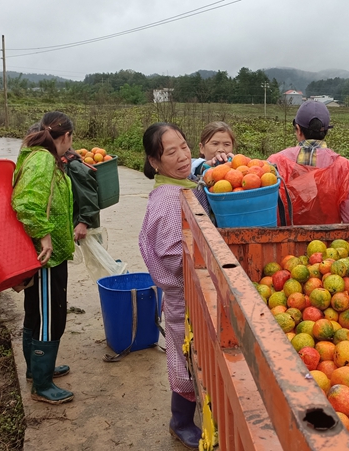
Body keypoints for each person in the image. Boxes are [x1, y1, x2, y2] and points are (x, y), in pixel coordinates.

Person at [138, 122, 207, 449]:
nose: (182, 156)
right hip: (183, 297)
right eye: (171, 152)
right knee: (185, 360)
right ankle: (179, 422)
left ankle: (185, 418)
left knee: (192, 358)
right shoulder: (168, 199)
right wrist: (207, 260)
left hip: (191, 294)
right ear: (154, 161)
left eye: (184, 146)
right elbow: (170, 253)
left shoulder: (184, 186)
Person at [12, 112, 76, 405]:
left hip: (46, 252)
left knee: (36, 312)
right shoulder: (44, 160)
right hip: (46, 257)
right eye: (70, 139)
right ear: (65, 137)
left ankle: (37, 370)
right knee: (50, 317)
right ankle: (42, 384)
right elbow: (26, 202)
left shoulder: (41, 157)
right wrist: (44, 235)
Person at [267, 100, 349, 225]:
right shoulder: (343, 166)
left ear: (298, 129)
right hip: (330, 243)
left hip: (284, 242)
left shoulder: (275, 162)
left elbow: (265, 209)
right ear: (326, 131)